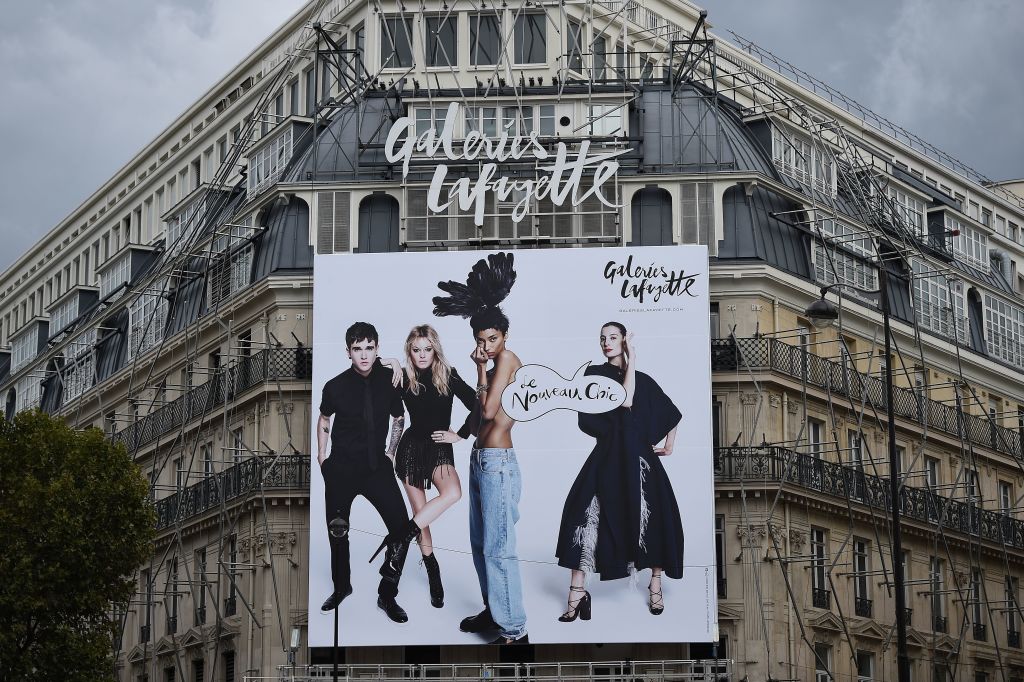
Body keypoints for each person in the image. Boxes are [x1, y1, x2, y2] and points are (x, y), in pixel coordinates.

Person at [554, 322, 684, 620]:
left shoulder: (643, 380)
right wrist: (632, 360)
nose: (606, 343)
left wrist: (669, 444)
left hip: (639, 460)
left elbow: (671, 411)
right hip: (609, 455)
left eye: (613, 337)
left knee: (653, 519)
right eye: (602, 338)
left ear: (624, 340)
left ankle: (655, 583)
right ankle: (577, 593)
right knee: (583, 516)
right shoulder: (595, 376)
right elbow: (624, 400)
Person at [433, 252, 529, 645]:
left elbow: (489, 409)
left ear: (504, 336)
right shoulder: (492, 368)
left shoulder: (506, 359)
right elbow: (477, 417)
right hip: (481, 460)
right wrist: (459, 435)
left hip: (499, 463)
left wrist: (478, 370)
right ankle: (495, 610)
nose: (486, 346)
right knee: (480, 543)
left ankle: (515, 628)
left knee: (498, 545)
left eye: (491, 338)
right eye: (480, 340)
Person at [316, 322, 415, 624]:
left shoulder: (389, 378)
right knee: (337, 532)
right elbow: (324, 418)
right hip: (341, 470)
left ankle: (387, 594)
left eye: (369, 348)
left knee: (402, 529)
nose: (363, 355)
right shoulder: (334, 386)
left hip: (376, 469)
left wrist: (392, 452)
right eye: (357, 349)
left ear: (377, 349)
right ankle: (341, 586)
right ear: (348, 352)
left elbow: (399, 418)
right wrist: (322, 457)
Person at [389, 324, 476, 608]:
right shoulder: (404, 377)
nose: (422, 355)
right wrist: (389, 362)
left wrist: (461, 434)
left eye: (427, 349)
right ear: (409, 352)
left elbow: (479, 404)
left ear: (435, 349)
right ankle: (432, 569)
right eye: (416, 350)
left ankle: (401, 538)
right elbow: (368, 365)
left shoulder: (447, 375)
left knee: (452, 493)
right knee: (421, 517)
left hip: (440, 446)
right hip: (411, 449)